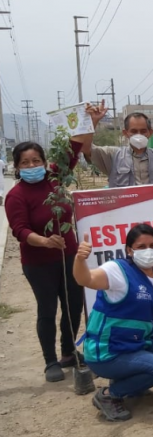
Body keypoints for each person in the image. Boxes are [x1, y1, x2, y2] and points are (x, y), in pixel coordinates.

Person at [73, 224, 153, 421]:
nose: (148, 251)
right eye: (141, 246)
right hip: (108, 351)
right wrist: (80, 259)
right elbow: (86, 279)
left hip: (136, 345)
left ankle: (129, 383)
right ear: (129, 250)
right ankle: (109, 395)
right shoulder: (117, 271)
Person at [4, 136, 90, 382]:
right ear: (17, 167)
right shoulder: (16, 195)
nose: (32, 166)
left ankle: (68, 352)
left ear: (45, 161)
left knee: (73, 306)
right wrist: (44, 241)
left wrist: (87, 124)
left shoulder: (55, 179)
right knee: (47, 309)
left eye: (36, 160)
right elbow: (19, 229)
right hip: (39, 262)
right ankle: (50, 360)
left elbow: (71, 154)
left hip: (69, 255)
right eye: (25, 163)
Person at [81, 100, 153, 187]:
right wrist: (93, 122)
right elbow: (86, 149)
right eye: (134, 131)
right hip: (125, 215)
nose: (139, 135)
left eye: (143, 131)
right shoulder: (112, 156)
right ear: (125, 133)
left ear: (150, 132)